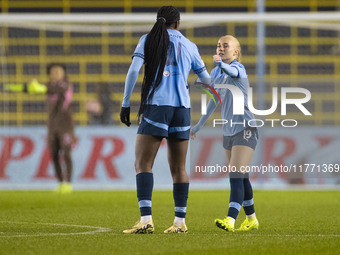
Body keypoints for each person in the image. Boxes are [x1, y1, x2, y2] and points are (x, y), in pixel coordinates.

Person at [120, 6, 210, 234]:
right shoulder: (190, 45)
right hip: (182, 109)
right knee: (179, 167)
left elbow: (133, 71)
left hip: (157, 106)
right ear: (178, 23)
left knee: (143, 164)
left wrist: (125, 103)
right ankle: (180, 222)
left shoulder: (147, 39)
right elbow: (208, 82)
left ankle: (146, 219)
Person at [191, 35, 259, 232]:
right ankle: (252, 218)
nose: (221, 48)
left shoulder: (238, 68)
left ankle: (230, 219)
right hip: (229, 131)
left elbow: (230, 70)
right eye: (218, 45)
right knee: (242, 176)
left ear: (236, 52)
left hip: (246, 128)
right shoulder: (216, 71)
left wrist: (221, 65)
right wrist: (197, 126)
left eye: (225, 46)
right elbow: (214, 101)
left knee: (235, 174)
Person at [6, 63, 75, 194]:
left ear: (63, 74)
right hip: (52, 125)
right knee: (54, 154)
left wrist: (38, 87)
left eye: (58, 71)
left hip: (65, 125)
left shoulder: (66, 85)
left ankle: (69, 183)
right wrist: (18, 87)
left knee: (66, 153)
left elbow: (50, 89)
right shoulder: (48, 86)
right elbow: (35, 88)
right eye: (53, 72)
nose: (55, 74)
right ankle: (60, 183)